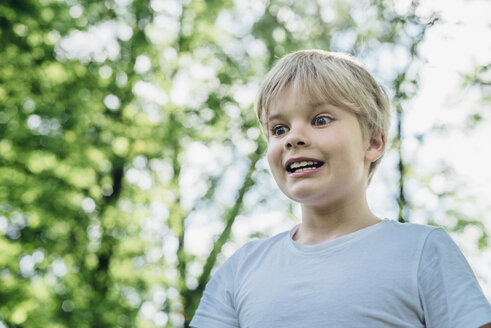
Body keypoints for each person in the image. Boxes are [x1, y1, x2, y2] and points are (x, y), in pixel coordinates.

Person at [190, 50, 491, 327]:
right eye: (279, 129)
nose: (293, 138)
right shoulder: (242, 268)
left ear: (373, 142)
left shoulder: (423, 251)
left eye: (320, 120)